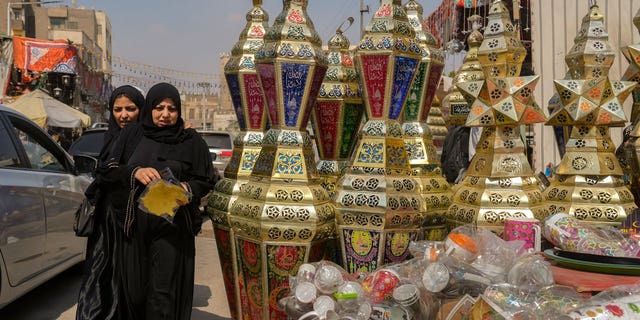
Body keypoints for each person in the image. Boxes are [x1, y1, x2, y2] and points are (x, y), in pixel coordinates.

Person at [99, 82, 215, 319]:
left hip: (171, 229)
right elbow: (108, 169)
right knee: (134, 291)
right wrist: (135, 172)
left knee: (162, 293)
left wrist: (187, 188)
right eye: (159, 108)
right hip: (133, 228)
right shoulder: (132, 134)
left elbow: (206, 179)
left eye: (171, 109)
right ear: (149, 108)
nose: (165, 114)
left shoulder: (191, 141)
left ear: (178, 110)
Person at [76, 85, 145, 320]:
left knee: (128, 277)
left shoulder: (146, 138)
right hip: (106, 220)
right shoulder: (110, 136)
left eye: (130, 108)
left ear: (141, 109)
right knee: (100, 272)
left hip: (131, 218)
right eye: (118, 109)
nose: (123, 115)